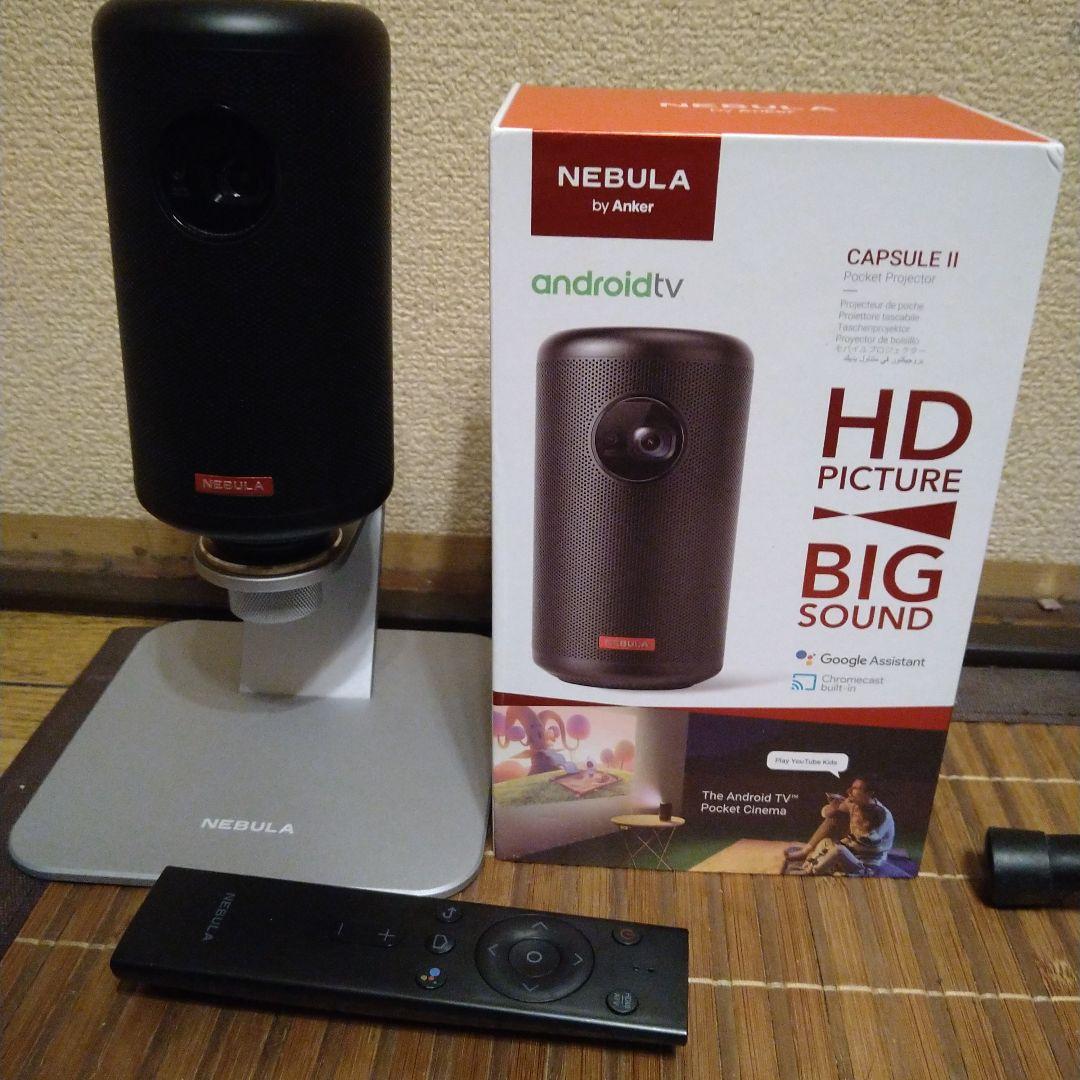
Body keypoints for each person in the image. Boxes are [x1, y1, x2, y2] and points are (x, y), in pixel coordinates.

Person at [785, 777, 895, 876]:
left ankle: (811, 871)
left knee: (838, 850)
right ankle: (808, 860)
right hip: (852, 852)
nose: (849, 791)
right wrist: (833, 807)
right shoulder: (855, 804)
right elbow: (825, 813)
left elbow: (867, 842)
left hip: (867, 862)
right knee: (827, 839)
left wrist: (839, 846)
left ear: (869, 793)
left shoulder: (881, 816)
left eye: (855, 788)